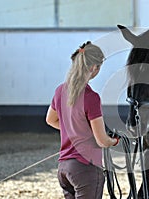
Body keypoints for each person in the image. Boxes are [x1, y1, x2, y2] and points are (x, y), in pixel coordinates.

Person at [46, 41, 119, 199]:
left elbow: (51, 120)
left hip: (64, 168)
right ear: (94, 67)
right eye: (99, 67)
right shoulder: (91, 97)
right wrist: (116, 140)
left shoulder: (60, 91)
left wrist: (75, 131)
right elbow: (102, 141)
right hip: (86, 168)